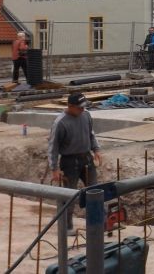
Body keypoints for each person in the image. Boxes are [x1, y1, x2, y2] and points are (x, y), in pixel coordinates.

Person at [48, 92, 102, 229]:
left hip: (87, 159)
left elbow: (91, 134)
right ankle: (67, 226)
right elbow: (53, 147)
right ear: (70, 106)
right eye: (80, 107)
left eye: (84, 107)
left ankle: (98, 224)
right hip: (69, 162)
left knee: (95, 191)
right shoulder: (60, 122)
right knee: (69, 196)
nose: (82, 109)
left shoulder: (86, 115)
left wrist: (96, 150)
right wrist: (54, 168)